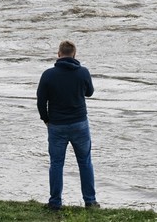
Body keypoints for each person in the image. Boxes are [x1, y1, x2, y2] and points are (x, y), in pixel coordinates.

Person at [36, 40, 99, 210]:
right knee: (85, 162)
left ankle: (55, 202)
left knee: (56, 163)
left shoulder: (48, 75)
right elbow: (90, 92)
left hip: (56, 125)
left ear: (58, 54)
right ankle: (90, 201)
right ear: (74, 54)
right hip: (79, 123)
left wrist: (46, 120)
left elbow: (41, 101)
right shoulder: (83, 72)